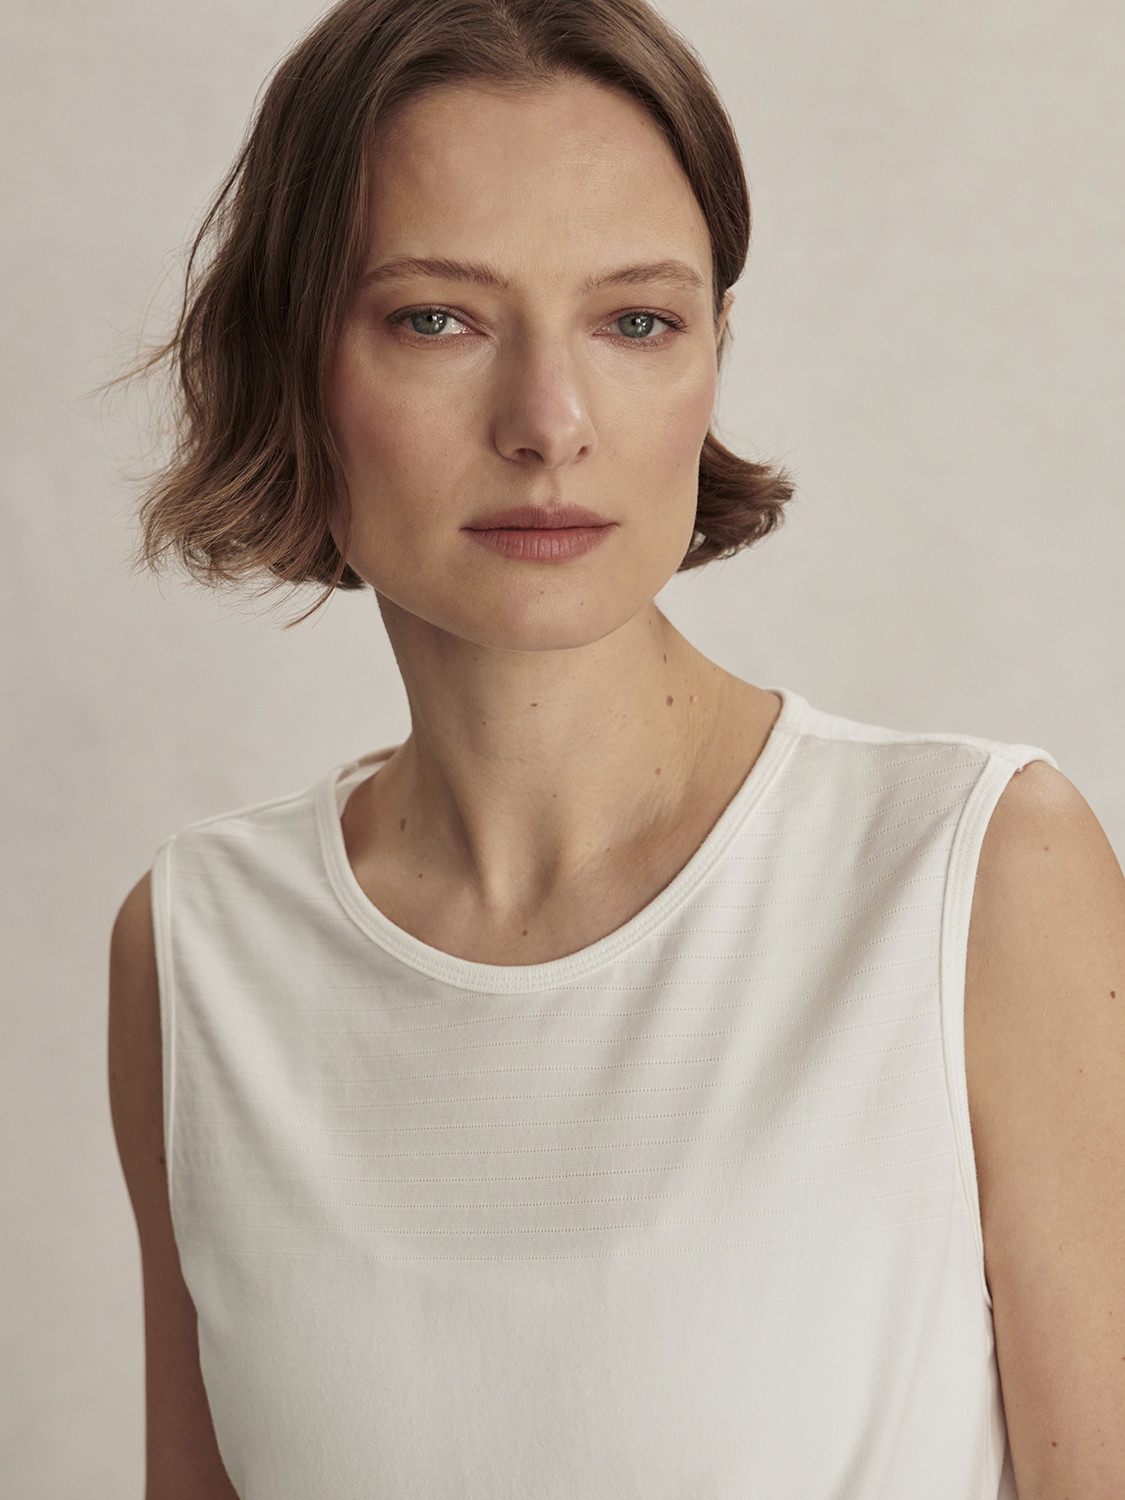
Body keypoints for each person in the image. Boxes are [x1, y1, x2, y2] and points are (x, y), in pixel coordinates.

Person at [106, 0, 1125, 1495]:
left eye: (635, 320)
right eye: (436, 318)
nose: (549, 422)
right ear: (291, 360)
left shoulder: (969, 878)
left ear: (713, 353)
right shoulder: (200, 947)